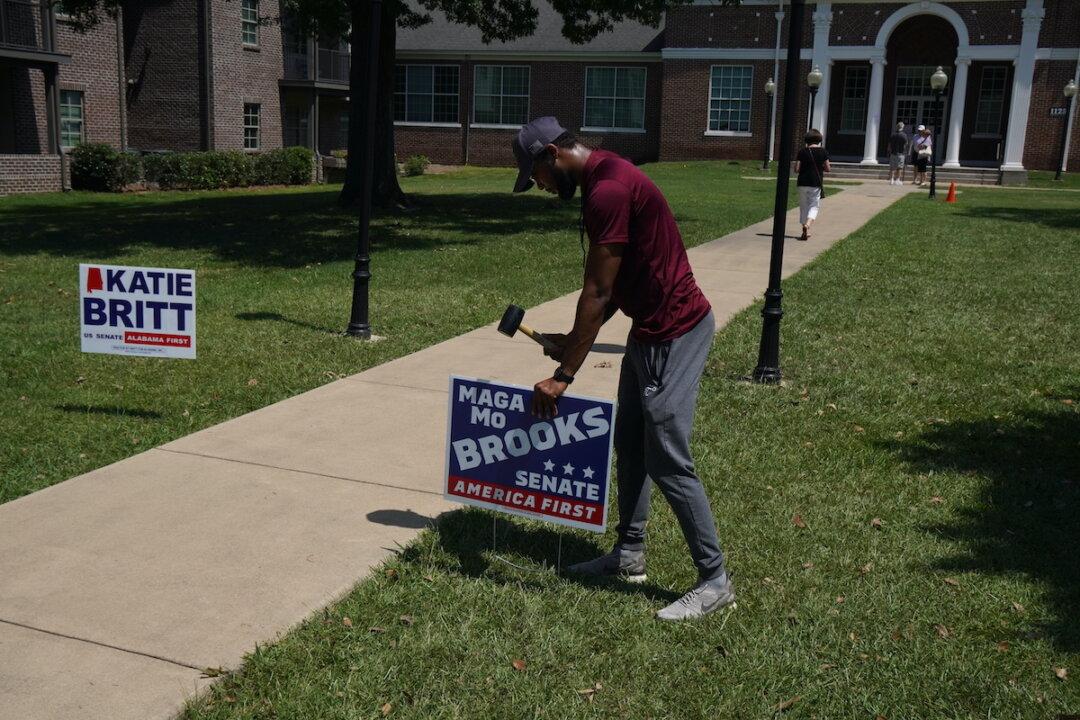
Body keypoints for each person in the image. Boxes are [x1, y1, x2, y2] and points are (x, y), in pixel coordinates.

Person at [510, 116, 735, 621]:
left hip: (674, 333)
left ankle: (715, 580)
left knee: (667, 457)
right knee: (630, 441)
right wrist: (573, 343)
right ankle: (629, 553)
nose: (541, 188)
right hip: (648, 330)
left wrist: (564, 375)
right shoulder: (607, 175)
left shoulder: (607, 191)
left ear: (552, 154)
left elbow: (598, 290)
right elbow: (618, 281)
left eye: (537, 176)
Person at [793, 128, 830, 241]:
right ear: (819, 140)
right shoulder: (823, 152)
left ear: (807, 140)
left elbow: (797, 169)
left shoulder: (802, 151)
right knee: (814, 205)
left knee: (803, 206)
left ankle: (804, 231)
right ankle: (807, 225)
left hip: (802, 182)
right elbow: (828, 168)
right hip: (815, 182)